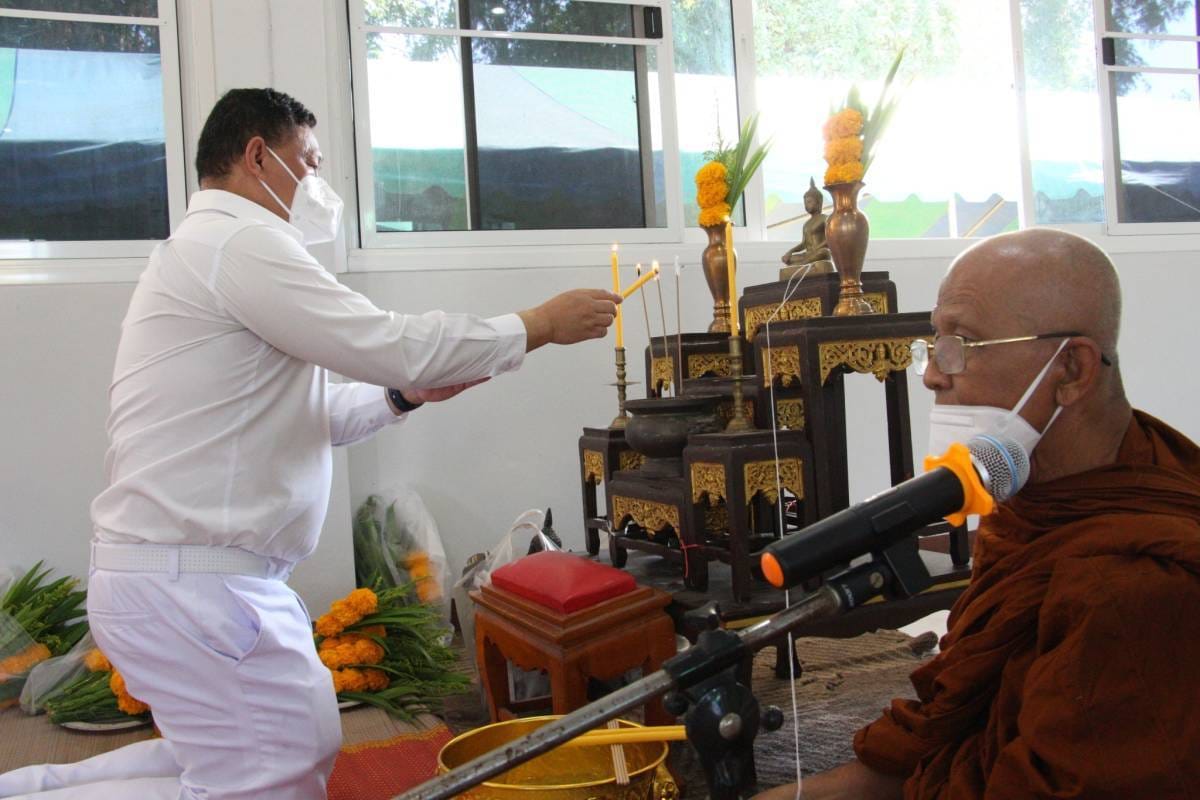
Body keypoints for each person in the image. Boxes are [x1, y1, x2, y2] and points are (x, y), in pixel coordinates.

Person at [0, 88, 620, 800]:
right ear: (258, 156)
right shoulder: (238, 244)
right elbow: (390, 343)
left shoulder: (211, 251)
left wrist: (401, 396)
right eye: (311, 162)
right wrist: (537, 324)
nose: (319, 184)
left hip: (193, 577)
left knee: (279, 750)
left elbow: (305, 415)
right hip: (191, 583)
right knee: (268, 778)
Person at [757, 228, 1200, 799]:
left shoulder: (1138, 587)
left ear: (1071, 370)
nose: (932, 374)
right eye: (934, 343)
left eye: (962, 344)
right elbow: (962, 700)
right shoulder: (1038, 492)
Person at [779, 178, 833, 280]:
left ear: (818, 202)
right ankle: (803, 264)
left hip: (819, 252)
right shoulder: (806, 224)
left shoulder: (825, 219)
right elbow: (804, 244)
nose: (806, 205)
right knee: (789, 259)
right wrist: (790, 252)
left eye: (809, 202)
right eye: (805, 203)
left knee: (824, 252)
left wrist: (817, 248)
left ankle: (801, 265)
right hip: (808, 254)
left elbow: (831, 239)